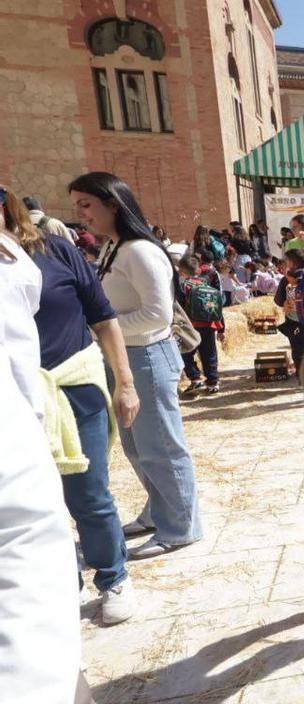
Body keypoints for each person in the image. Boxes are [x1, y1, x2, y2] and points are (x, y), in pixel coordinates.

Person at [2, 186, 141, 625]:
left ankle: (112, 576)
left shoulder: (55, 251)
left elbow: (103, 317)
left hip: (71, 386)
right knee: (29, 504)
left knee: (89, 495)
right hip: (12, 399)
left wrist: (126, 383)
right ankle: (58, 585)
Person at [69, 171, 204, 560]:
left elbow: (156, 315)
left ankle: (180, 527)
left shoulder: (140, 251)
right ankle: (158, 511)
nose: (81, 213)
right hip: (125, 357)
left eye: (86, 204)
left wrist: (100, 329)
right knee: (136, 446)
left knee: (161, 445)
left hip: (146, 356)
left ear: (113, 203)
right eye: (78, 205)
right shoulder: (115, 247)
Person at [177, 254, 224, 396]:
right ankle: (213, 383)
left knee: (185, 351)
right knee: (209, 353)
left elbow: (179, 305)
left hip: (190, 325)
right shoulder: (206, 284)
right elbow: (217, 307)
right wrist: (221, 328)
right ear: (198, 270)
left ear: (182, 271)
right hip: (209, 324)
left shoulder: (183, 286)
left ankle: (195, 378)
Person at [274, 248, 304, 375]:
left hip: (294, 320)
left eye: (285, 260)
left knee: (297, 348)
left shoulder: (287, 279)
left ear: (292, 263)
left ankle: (301, 373)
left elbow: (278, 300)